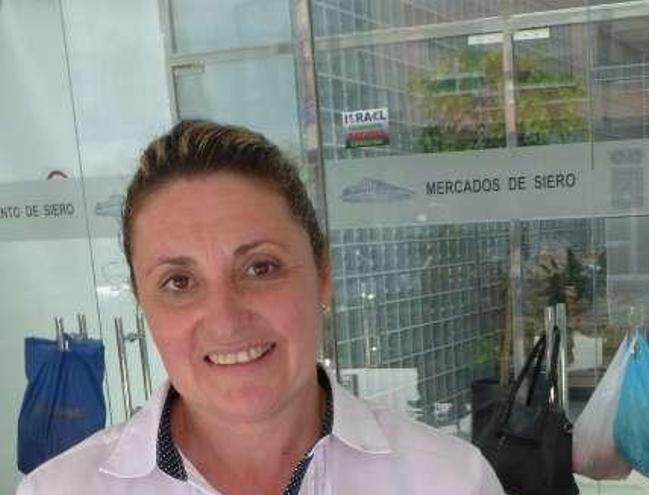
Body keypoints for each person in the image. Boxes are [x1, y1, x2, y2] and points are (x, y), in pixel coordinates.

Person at [16, 120, 504, 495]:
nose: (226, 319)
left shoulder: (448, 481)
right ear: (144, 304)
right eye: (179, 281)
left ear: (323, 277)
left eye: (260, 268)